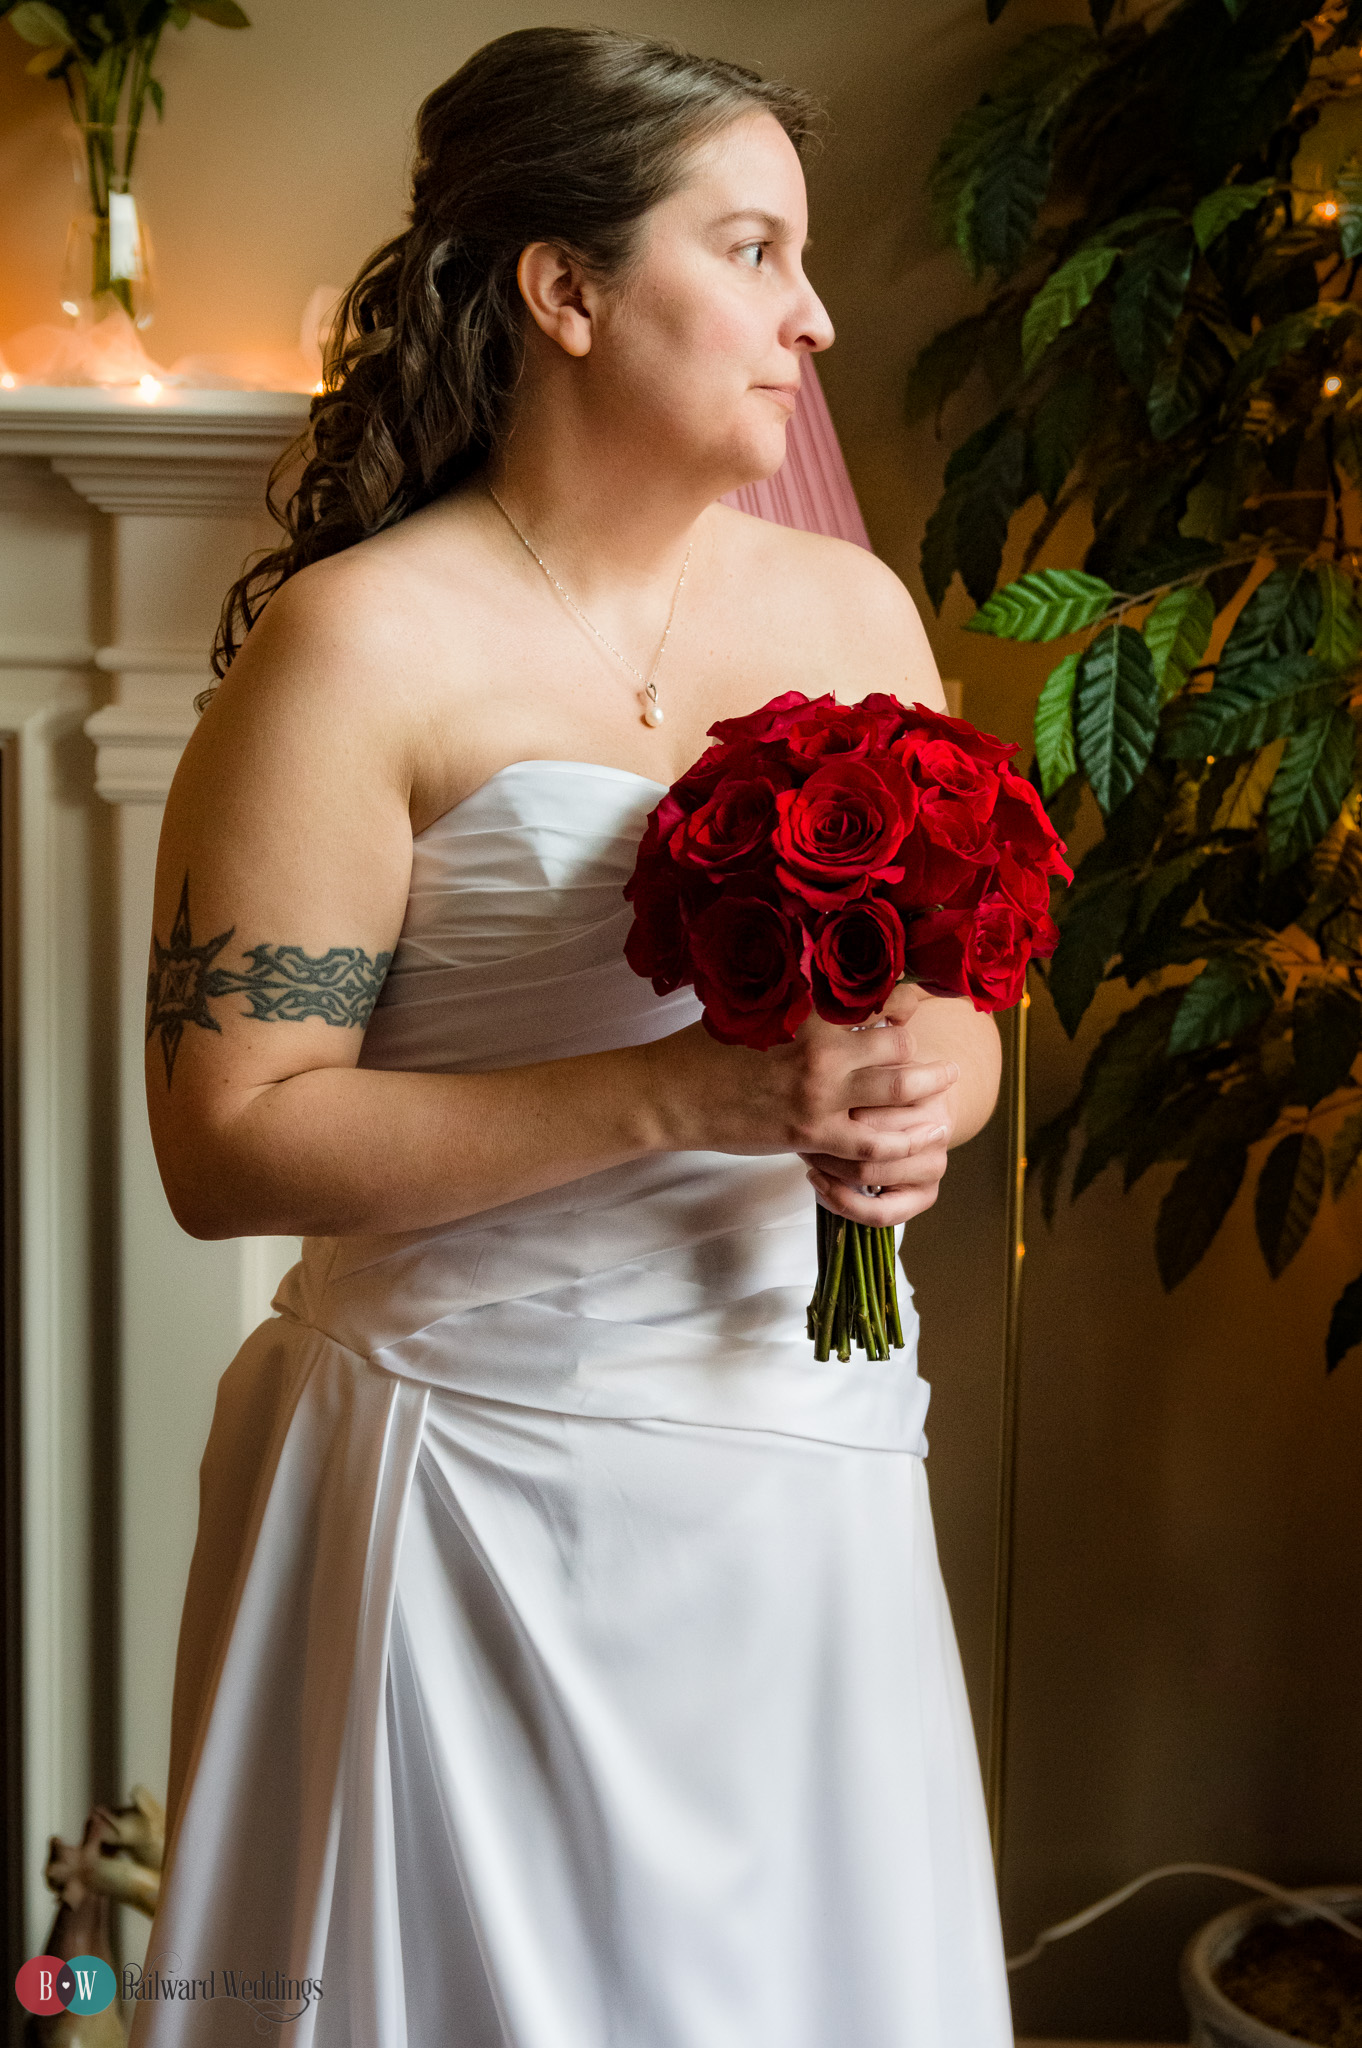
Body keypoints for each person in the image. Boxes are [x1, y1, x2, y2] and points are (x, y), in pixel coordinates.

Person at [132, 26, 1013, 2047]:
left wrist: (920, 1111)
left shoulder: (860, 618)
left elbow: (959, 1013)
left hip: (804, 1475)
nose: (816, 311)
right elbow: (227, 1137)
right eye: (756, 246)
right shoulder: (362, 643)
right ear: (567, 288)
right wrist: (684, 1094)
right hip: (459, 1487)